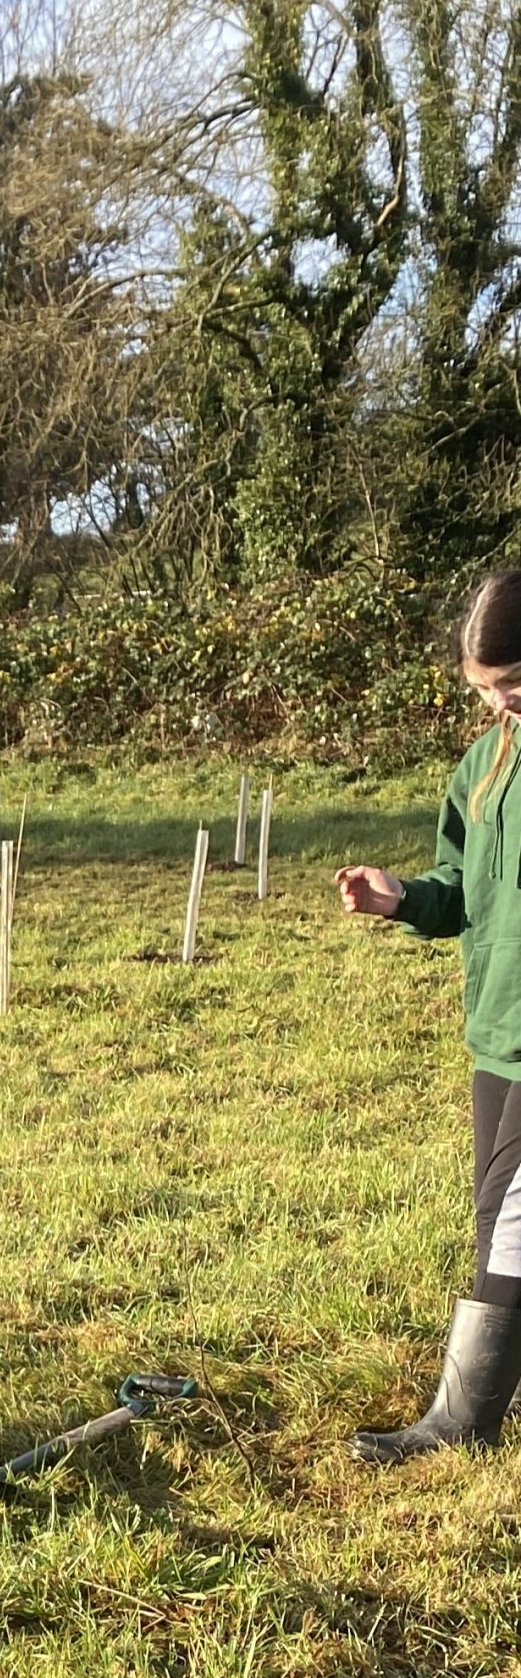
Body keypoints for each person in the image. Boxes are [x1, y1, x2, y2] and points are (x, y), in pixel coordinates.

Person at [338, 567, 521, 1461]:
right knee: (497, 1220)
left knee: (512, 1219)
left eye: (512, 682)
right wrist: (404, 896)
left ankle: (463, 1422)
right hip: (498, 1026)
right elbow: (462, 889)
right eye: (484, 688)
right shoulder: (483, 766)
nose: (499, 702)